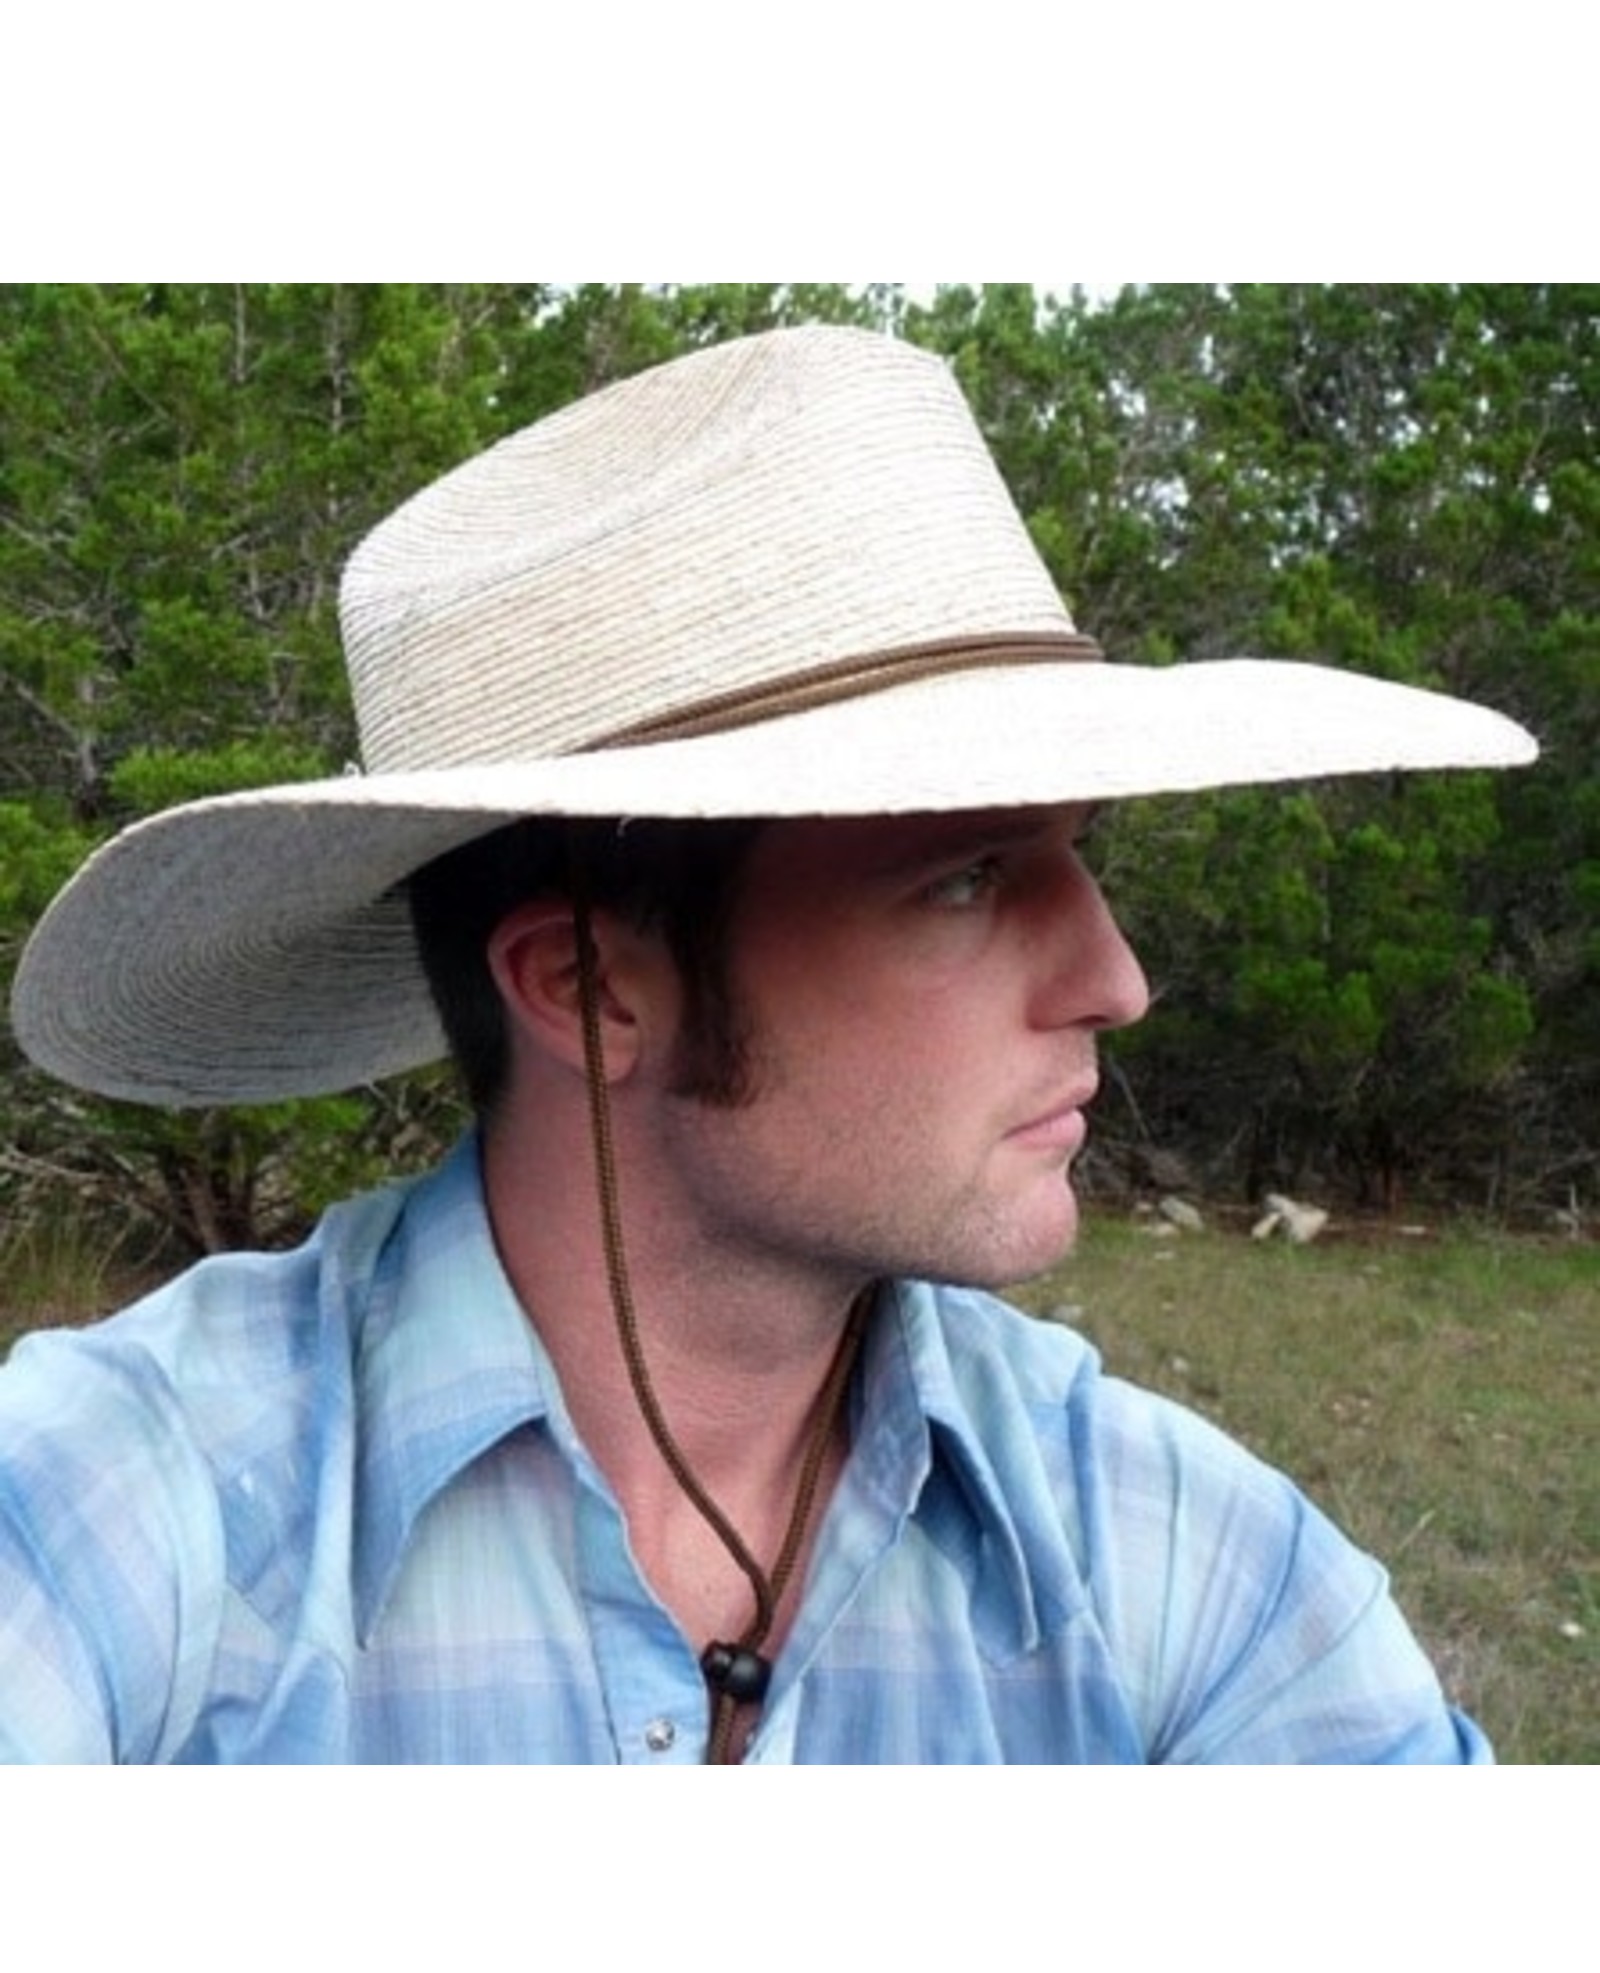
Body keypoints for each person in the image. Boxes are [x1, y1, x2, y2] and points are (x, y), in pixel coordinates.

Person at [1, 325, 1535, 1764]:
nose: (1115, 979)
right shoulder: (142, 1504)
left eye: (1081, 858)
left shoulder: (1166, 1555)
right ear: (593, 991)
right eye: (966, 878)